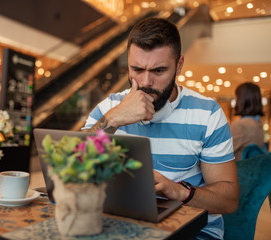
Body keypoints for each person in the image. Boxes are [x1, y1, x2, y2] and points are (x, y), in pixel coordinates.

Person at [82, 17, 239, 240]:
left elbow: (229, 200)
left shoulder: (207, 114)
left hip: (193, 231)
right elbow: (70, 166)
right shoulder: (109, 108)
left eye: (159, 71)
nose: (146, 82)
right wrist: (115, 118)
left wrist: (179, 191)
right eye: (136, 69)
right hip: (120, 226)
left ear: (179, 65)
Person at [230, 82, 265, 160]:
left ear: (241, 100)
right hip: (256, 169)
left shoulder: (239, 125)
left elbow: (226, 153)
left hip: (239, 170)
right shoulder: (258, 123)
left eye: (236, 97)